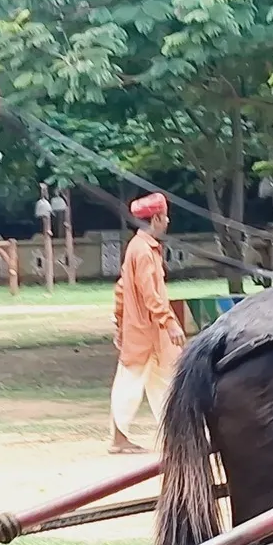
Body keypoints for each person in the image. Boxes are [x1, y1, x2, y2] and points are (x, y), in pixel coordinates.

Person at [108, 193, 184, 454]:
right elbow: (150, 293)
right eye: (164, 216)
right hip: (146, 330)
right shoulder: (143, 251)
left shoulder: (140, 247)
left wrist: (119, 322)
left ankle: (176, 434)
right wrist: (169, 322)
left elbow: (121, 289)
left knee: (164, 380)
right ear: (156, 218)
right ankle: (119, 438)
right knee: (131, 382)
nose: (168, 220)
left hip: (144, 330)